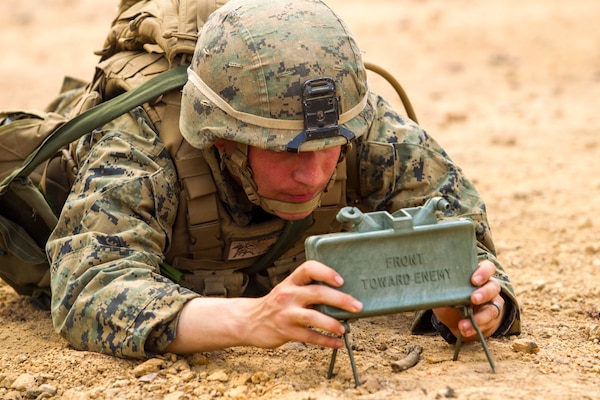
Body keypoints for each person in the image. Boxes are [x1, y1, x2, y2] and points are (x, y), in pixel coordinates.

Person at [44, 0, 520, 359]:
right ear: (224, 139)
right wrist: (252, 318)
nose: (312, 175)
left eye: (327, 149)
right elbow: (87, 287)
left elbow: (464, 235)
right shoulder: (141, 141)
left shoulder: (359, 122)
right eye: (282, 149)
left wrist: (475, 300)